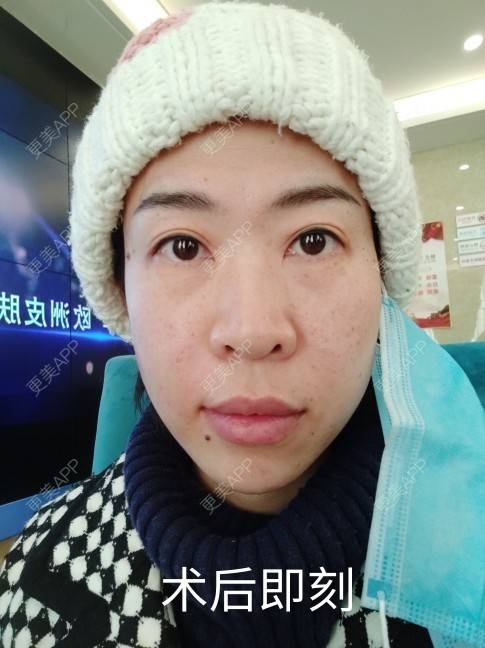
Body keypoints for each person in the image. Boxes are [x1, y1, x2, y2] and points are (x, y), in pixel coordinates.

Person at [1, 3, 483, 647]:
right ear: (119, 289)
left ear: (381, 277)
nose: (253, 332)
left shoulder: (467, 561)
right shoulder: (39, 573)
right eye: (182, 246)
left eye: (313, 240)